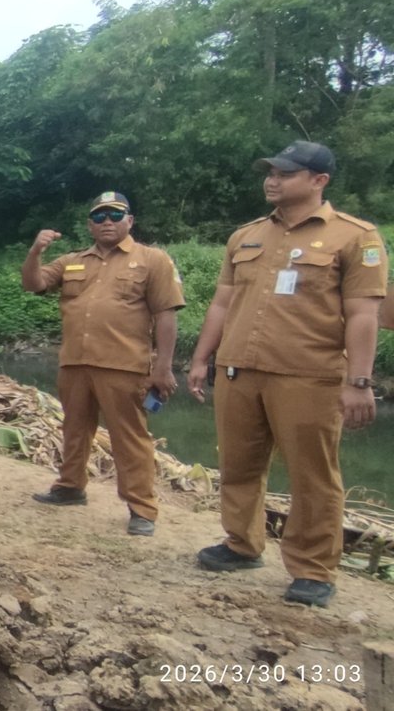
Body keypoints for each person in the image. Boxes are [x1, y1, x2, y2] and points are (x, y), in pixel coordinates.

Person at [186, 141, 386, 608]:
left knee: (312, 475)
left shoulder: (356, 237)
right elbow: (221, 302)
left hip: (309, 374)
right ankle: (241, 544)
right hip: (240, 370)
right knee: (237, 465)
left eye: (286, 173)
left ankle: (313, 568)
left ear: (319, 181)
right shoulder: (247, 236)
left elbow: (363, 315)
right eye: (270, 172)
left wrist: (359, 381)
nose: (272, 180)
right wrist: (201, 358)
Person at [20, 192, 183, 536]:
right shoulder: (72, 261)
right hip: (75, 362)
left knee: (130, 437)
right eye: (99, 216)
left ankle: (142, 509)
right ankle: (70, 486)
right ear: (89, 225)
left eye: (114, 214)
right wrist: (36, 252)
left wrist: (163, 366)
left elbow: (166, 314)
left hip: (124, 365)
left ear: (130, 220)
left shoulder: (153, 260)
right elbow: (33, 283)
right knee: (75, 428)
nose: (107, 221)